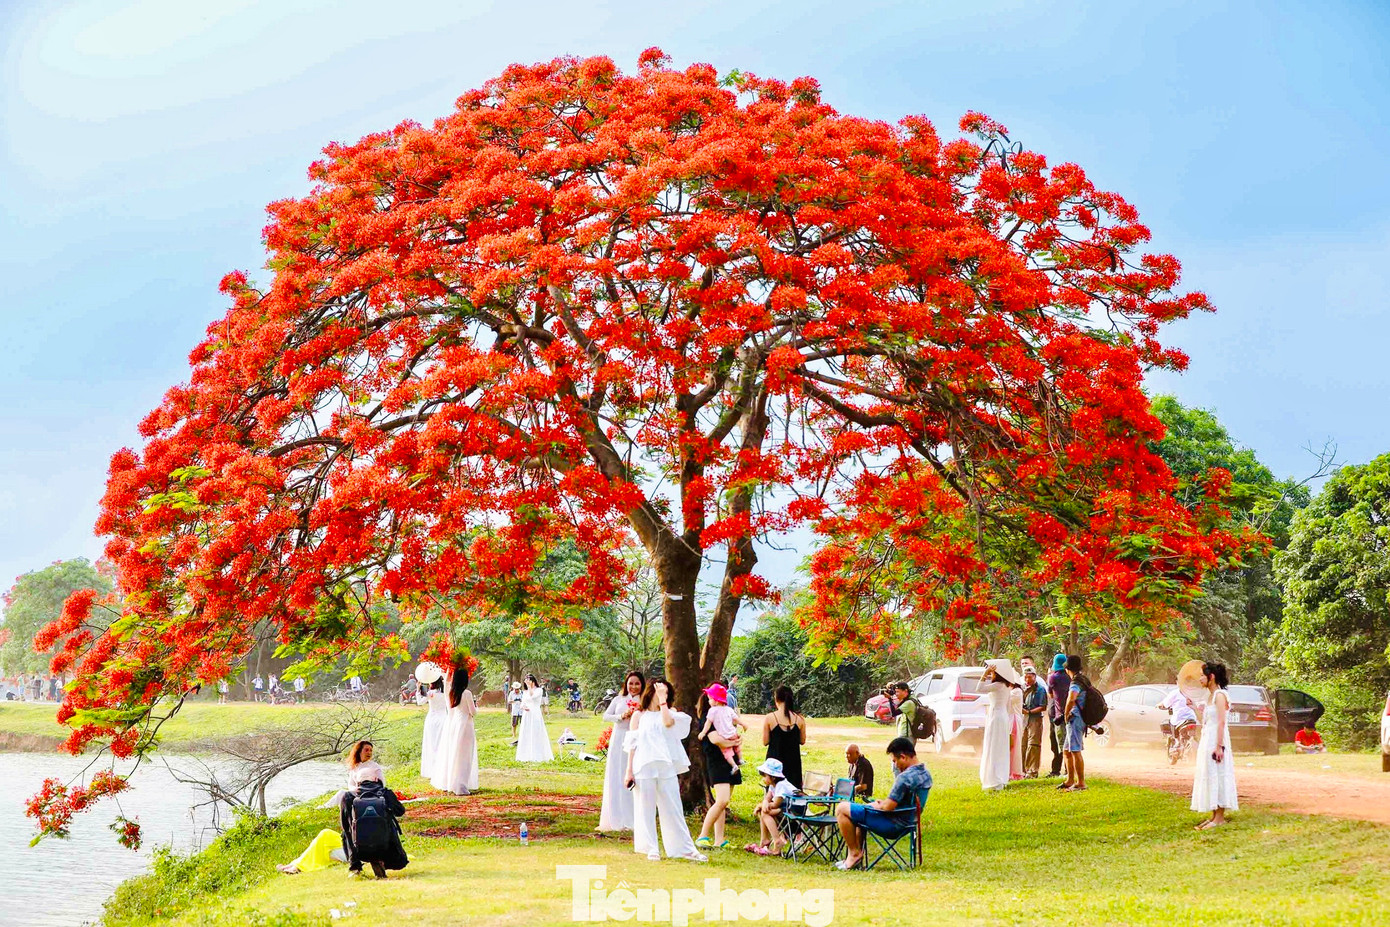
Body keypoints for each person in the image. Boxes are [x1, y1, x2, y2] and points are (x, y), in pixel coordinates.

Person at [623, 678, 706, 862]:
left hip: (665, 767)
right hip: (644, 766)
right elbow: (632, 745)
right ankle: (651, 848)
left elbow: (668, 723)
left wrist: (662, 700)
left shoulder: (670, 713)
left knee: (673, 807)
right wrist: (629, 771)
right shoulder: (639, 716)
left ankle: (684, 849)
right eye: (660, 691)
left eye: (667, 693)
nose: (664, 695)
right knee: (646, 808)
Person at [834, 737, 932, 870]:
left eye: (895, 761)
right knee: (859, 813)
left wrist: (878, 805)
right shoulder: (926, 774)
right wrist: (882, 803)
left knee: (842, 808)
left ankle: (854, 854)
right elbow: (900, 802)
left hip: (893, 825)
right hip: (909, 821)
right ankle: (855, 858)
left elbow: (888, 807)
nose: (895, 765)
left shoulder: (904, 778)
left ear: (903, 757)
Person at [1192, 662, 1238, 828]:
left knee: (1218, 774)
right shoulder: (1209, 697)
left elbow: (1221, 722)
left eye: (1202, 675)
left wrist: (1219, 746)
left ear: (1211, 677)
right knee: (1210, 773)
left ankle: (1219, 818)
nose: (1199, 679)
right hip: (1208, 738)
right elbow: (1207, 720)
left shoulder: (1220, 695)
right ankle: (1213, 816)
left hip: (1217, 740)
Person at [695, 690, 742, 851]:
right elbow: (717, 741)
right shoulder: (709, 718)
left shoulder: (726, 715)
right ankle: (702, 836)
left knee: (724, 802)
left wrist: (735, 741)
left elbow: (733, 734)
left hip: (731, 762)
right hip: (717, 762)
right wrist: (733, 743)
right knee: (721, 800)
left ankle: (719, 839)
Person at [599, 670, 645, 832]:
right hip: (619, 739)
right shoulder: (619, 699)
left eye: (637, 683)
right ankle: (615, 816)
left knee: (635, 775)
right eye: (631, 683)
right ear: (626, 684)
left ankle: (633, 817)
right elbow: (606, 716)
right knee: (616, 773)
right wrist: (620, 716)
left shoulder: (645, 701)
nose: (633, 687)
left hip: (636, 741)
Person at [432, 665, 479, 794]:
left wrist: (447, 673)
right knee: (465, 755)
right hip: (466, 725)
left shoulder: (452, 692)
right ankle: (461, 785)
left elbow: (446, 682)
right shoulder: (467, 693)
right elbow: (473, 712)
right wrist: (477, 706)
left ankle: (454, 783)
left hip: (455, 724)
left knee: (455, 754)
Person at [978, 660, 1019, 791]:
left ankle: (994, 778)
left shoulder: (998, 685)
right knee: (1000, 746)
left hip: (996, 716)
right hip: (1001, 716)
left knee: (994, 746)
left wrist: (985, 673)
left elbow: (979, 688)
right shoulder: (1006, 686)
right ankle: (999, 776)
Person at [747, 757, 798, 856]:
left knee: (765, 812)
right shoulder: (773, 785)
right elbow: (768, 798)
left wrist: (762, 806)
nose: (763, 778)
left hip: (796, 810)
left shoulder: (781, 785)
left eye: (764, 776)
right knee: (764, 811)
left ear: (773, 777)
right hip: (786, 808)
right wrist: (764, 803)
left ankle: (777, 841)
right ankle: (765, 840)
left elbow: (775, 804)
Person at [762, 685, 807, 790]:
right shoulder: (799, 719)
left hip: (774, 763)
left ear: (776, 699)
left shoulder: (770, 718)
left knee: (773, 794)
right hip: (793, 762)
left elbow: (765, 741)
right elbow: (802, 741)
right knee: (793, 792)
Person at [698, 683, 745, 775]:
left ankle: (734, 765)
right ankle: (741, 759)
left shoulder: (712, 711)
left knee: (727, 752)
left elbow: (709, 726)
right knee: (737, 747)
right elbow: (736, 719)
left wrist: (703, 732)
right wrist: (743, 725)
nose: (709, 701)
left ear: (716, 700)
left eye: (710, 699)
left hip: (724, 739)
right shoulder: (728, 709)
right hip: (733, 734)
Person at [1061, 655, 1088, 792]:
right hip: (1079, 718)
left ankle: (1081, 783)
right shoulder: (1084, 679)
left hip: (1075, 718)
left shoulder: (1076, 682)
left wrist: (1066, 714)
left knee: (1075, 750)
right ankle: (1070, 780)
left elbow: (1071, 699)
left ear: (1067, 669)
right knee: (1066, 750)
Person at [516, 674, 554, 762]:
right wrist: (523, 706)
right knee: (526, 731)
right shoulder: (525, 692)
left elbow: (533, 697)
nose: (528, 683)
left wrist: (529, 687)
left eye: (529, 680)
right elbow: (523, 702)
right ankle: (525, 755)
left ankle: (537, 755)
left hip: (535, 713)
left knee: (536, 731)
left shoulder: (539, 690)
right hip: (527, 713)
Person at [418, 676, 448, 779]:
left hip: (432, 720)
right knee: (442, 744)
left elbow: (420, 702)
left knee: (431, 744)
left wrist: (418, 690)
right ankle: (442, 769)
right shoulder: (445, 693)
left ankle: (432, 769)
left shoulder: (431, 693)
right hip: (444, 719)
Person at [1020, 666, 1048, 778]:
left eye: (1030, 677)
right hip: (1025, 719)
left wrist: (1029, 711)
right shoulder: (1023, 689)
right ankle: (1022, 769)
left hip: (1035, 719)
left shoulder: (1040, 689)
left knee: (1033, 745)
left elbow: (1043, 706)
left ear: (1034, 676)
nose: (1027, 679)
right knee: (1023, 744)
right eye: (1025, 677)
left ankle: (1032, 771)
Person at [1046, 654, 1068, 778]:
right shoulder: (1070, 678)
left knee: (1057, 744)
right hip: (1068, 715)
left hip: (1056, 715)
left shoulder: (1053, 677)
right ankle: (1067, 770)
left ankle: (1056, 770)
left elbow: (1050, 694)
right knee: (1066, 743)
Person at [1158, 687, 1199, 752]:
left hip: (1179, 718)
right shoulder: (1194, 692)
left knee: (1172, 722)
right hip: (1192, 718)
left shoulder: (1175, 693)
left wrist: (1159, 705)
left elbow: (1165, 704)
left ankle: (1177, 741)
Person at [890, 681, 918, 756]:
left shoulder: (909, 703)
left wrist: (889, 699)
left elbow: (894, 713)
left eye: (898, 692)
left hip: (906, 735)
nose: (896, 694)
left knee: (898, 756)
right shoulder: (912, 698)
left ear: (905, 691)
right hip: (910, 735)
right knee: (907, 757)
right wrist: (892, 686)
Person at [1008, 682, 1025, 781]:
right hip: (1010, 719)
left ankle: (1013, 771)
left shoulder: (1016, 692)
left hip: (1013, 720)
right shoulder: (1014, 691)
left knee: (1012, 746)